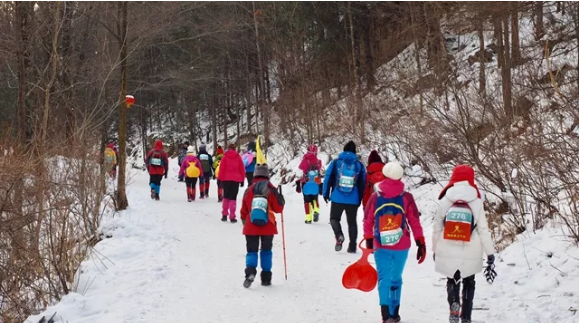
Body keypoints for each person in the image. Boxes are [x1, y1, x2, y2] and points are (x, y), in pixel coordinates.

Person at [432, 165, 497, 323]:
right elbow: (482, 229)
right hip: (471, 248)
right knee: (469, 282)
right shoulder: (476, 200)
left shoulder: (447, 198)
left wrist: (435, 249)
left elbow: (437, 225)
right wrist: (490, 253)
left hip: (448, 246)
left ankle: (454, 305)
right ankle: (466, 316)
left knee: (452, 280)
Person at [364, 162, 426, 323]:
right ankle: (395, 311)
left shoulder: (375, 196)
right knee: (396, 278)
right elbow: (414, 221)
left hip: (381, 244)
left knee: (383, 278)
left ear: (384, 175)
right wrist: (420, 242)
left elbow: (367, 220)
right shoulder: (406, 197)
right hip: (401, 244)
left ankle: (385, 315)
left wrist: (369, 239)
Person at [240, 163, 285, 288]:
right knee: (266, 251)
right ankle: (266, 278)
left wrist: (246, 223)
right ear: (267, 175)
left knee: (251, 251)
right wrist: (281, 199)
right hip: (268, 226)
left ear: (255, 174)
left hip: (251, 226)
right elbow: (278, 209)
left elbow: (243, 211)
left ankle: (250, 272)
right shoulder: (271, 189)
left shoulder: (249, 190)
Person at [322, 140, 366, 253]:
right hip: (353, 198)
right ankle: (352, 246)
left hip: (337, 197)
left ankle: (339, 235)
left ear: (344, 150)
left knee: (334, 219)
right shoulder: (359, 165)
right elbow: (363, 183)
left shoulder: (336, 162)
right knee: (352, 222)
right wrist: (359, 198)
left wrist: (325, 193)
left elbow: (328, 178)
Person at [217, 143, 245, 222]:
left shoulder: (225, 157)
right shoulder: (238, 157)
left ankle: (224, 215)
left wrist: (220, 179)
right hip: (235, 180)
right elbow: (242, 169)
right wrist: (242, 179)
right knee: (233, 198)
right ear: (234, 149)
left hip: (226, 179)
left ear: (228, 149)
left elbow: (221, 169)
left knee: (226, 197)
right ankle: (232, 217)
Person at [296, 144, 322, 224]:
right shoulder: (318, 161)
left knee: (306, 201)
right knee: (315, 199)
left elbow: (300, 167)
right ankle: (316, 210)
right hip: (315, 183)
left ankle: (308, 219)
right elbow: (320, 168)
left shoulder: (305, 160)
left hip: (306, 183)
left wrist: (305, 159)